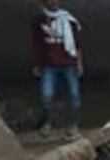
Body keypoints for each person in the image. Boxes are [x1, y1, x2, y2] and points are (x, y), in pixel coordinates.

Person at [31, 0, 82, 139]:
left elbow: (77, 44)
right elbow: (37, 45)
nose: (54, 2)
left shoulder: (69, 20)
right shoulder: (39, 21)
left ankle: (73, 126)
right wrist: (37, 64)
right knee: (46, 95)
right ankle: (47, 122)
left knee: (74, 96)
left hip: (69, 63)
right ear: (44, 2)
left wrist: (79, 63)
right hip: (49, 65)